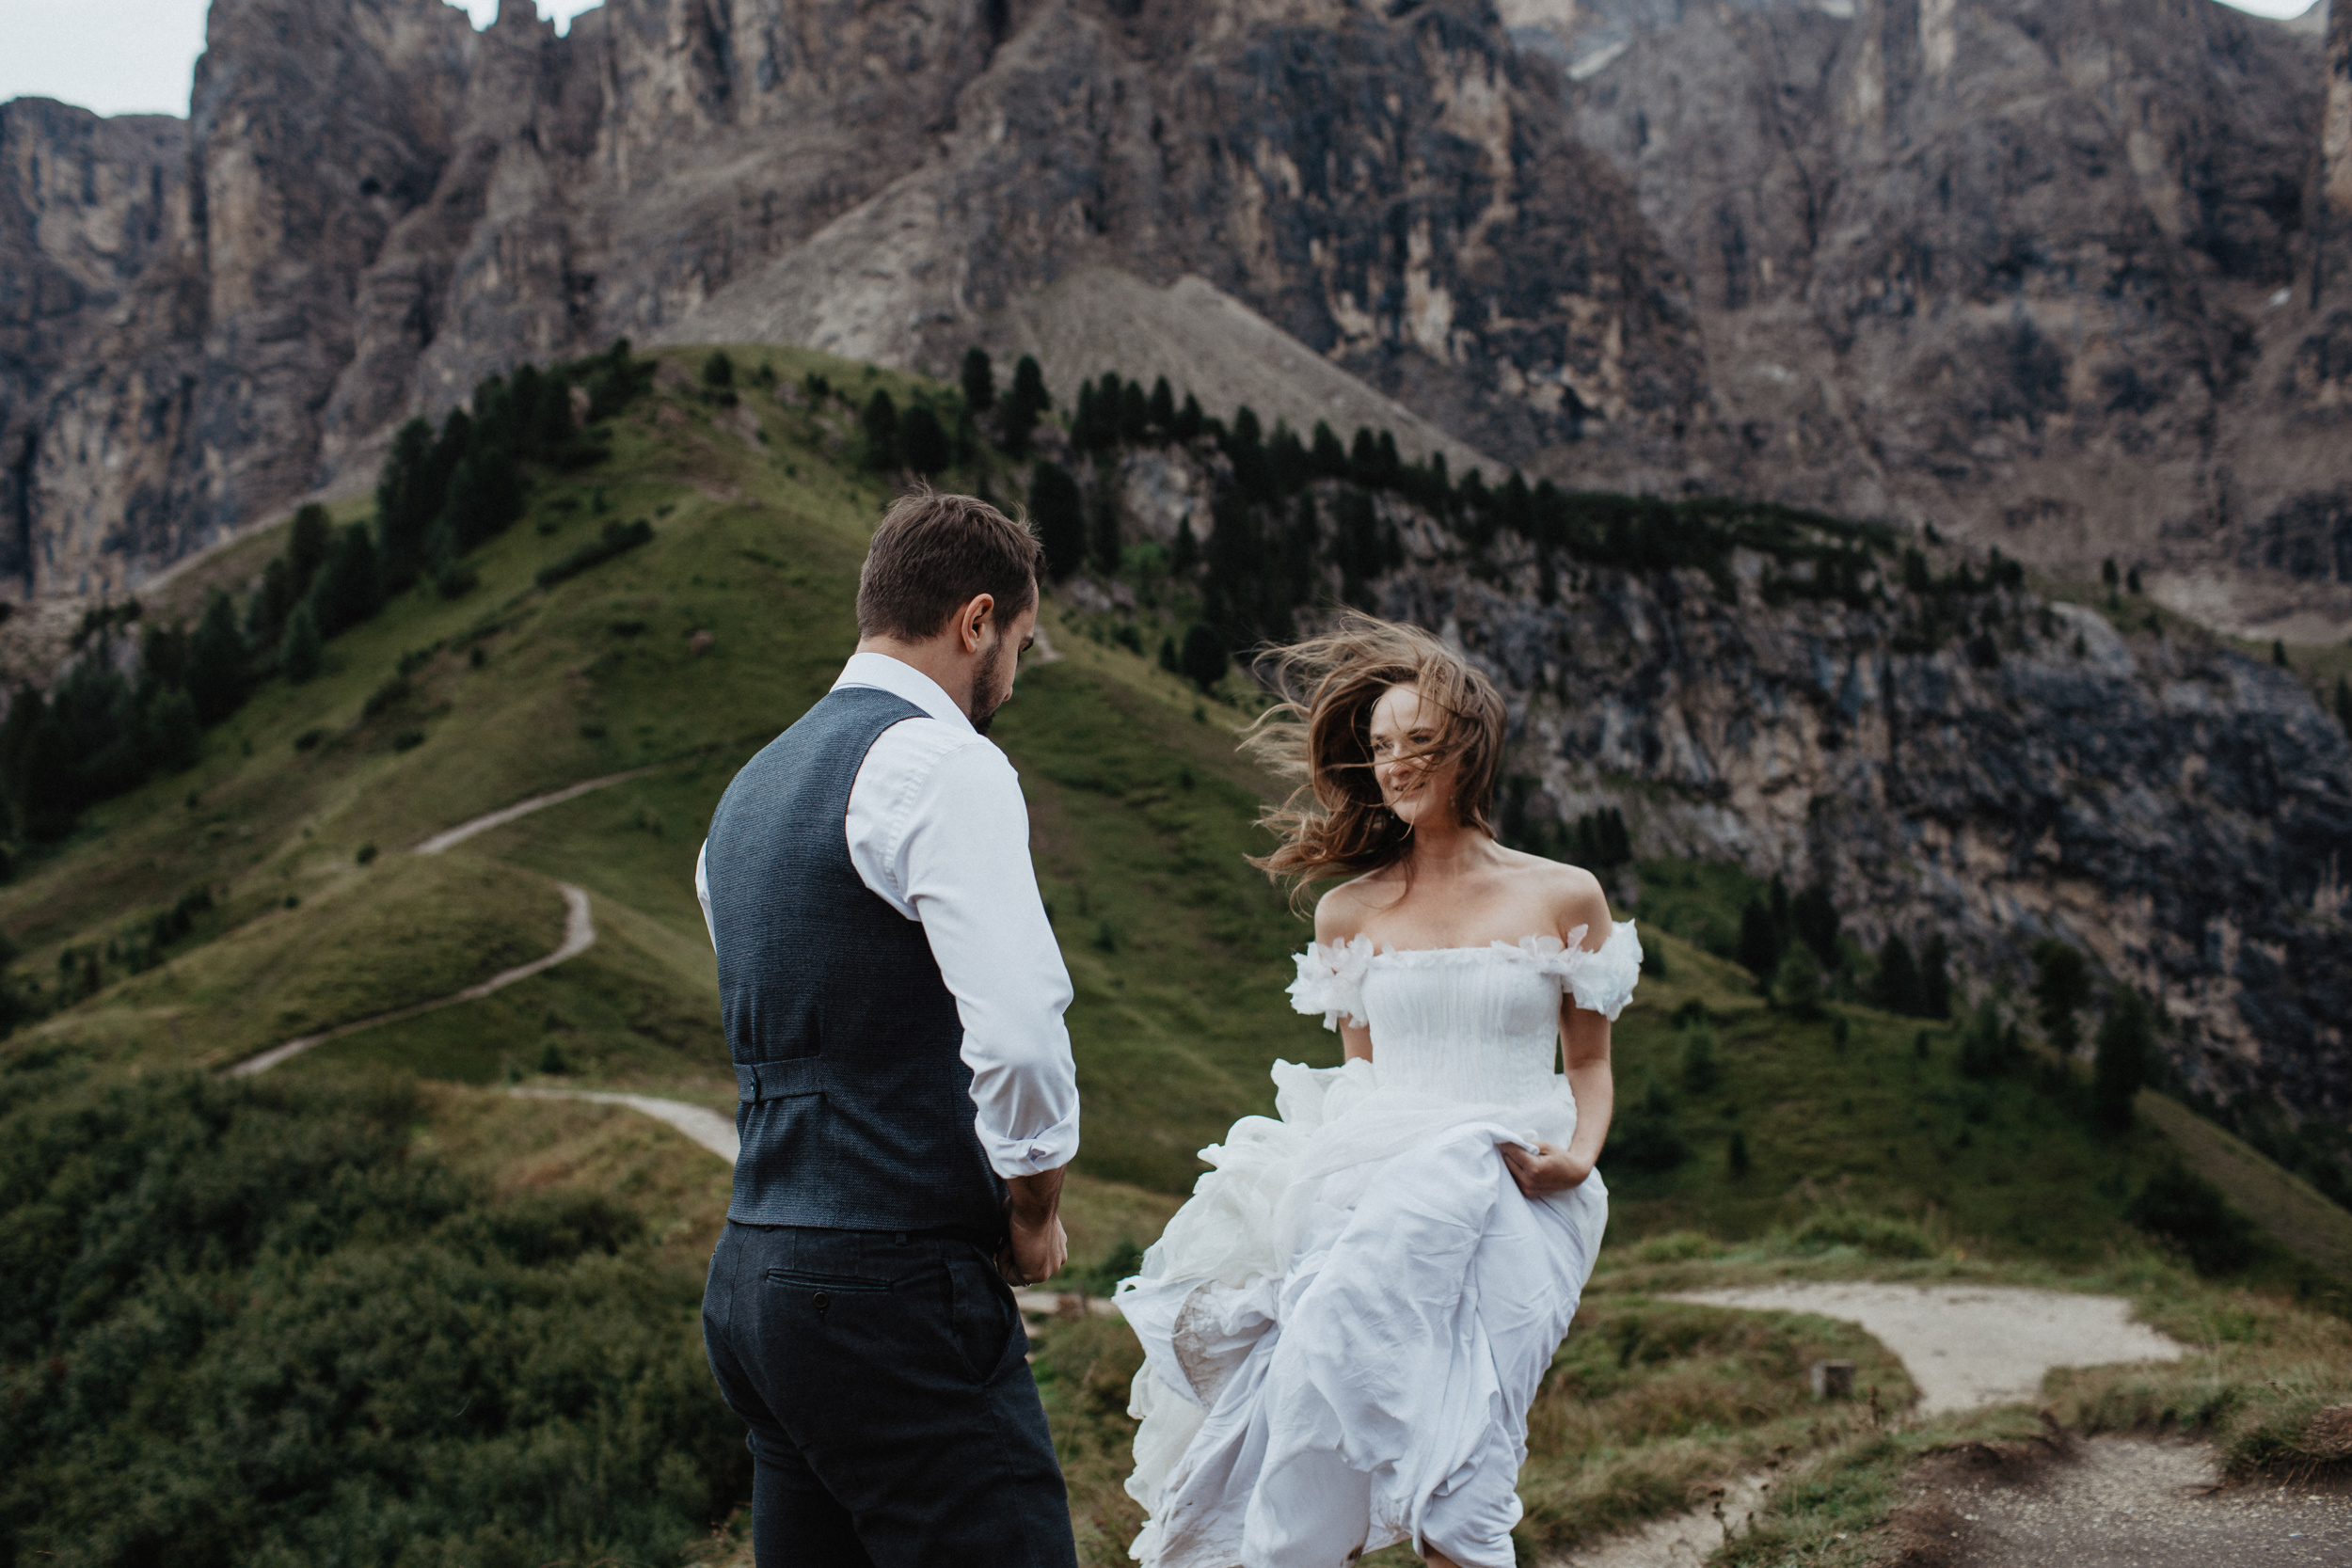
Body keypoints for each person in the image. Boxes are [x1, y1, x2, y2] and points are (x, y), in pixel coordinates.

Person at [1116, 614, 1639, 1568]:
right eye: (1381, 746)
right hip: (1374, 1189)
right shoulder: (1345, 912)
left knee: (1470, 1461)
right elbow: (1359, 1084)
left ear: (1469, 749)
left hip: (1523, 1187)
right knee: (1331, 1412)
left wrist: (1578, 1154)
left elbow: (1590, 1064)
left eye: (1419, 743)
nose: (1395, 764)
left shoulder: (1564, 894)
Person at [694, 489, 1083, 1568]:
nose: (1014, 670)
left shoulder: (744, 795)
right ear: (975, 621)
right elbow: (1016, 1027)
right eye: (1021, 641)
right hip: (889, 1286)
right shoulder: (939, 761)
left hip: (755, 1276)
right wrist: (1033, 1203)